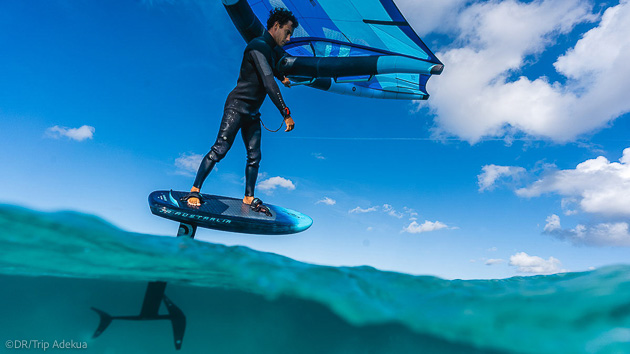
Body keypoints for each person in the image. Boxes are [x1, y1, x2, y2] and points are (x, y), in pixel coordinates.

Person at [181, 8, 298, 215]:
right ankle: (195, 189)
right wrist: (285, 113)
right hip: (237, 106)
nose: (288, 38)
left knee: (255, 157)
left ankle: (248, 196)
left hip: (253, 112)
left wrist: (283, 77)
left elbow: (272, 69)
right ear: (276, 26)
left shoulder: (268, 52)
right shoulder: (257, 45)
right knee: (220, 149)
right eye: (287, 32)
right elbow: (268, 80)